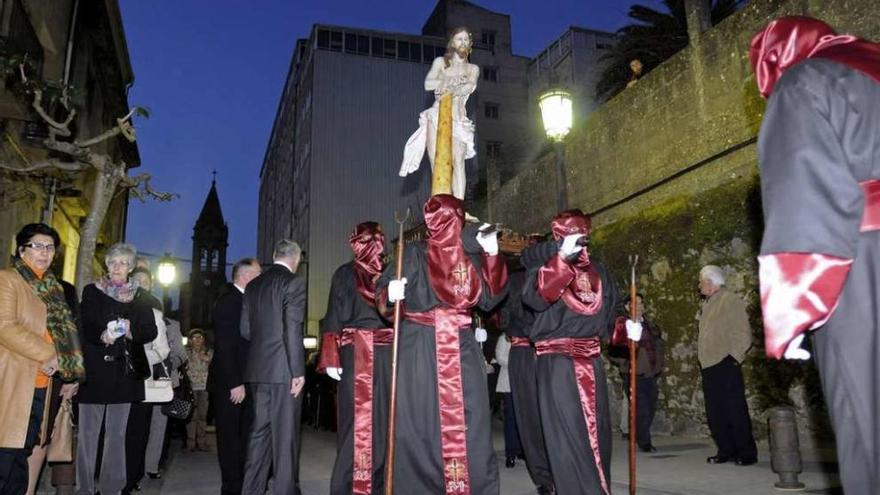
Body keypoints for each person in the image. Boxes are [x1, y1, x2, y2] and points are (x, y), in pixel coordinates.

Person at [750, 16, 880, 493]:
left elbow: (804, 190)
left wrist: (794, 309)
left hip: (863, 261)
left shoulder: (807, 80)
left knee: (868, 422)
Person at [377, 194, 508, 494]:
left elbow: (490, 300)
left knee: (470, 420)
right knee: (420, 422)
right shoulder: (413, 253)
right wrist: (389, 293)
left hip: (461, 346)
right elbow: (383, 293)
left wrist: (492, 255)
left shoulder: (469, 255)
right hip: (419, 347)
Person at [521, 210, 621, 495]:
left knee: (598, 437)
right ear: (558, 235)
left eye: (582, 233)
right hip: (558, 364)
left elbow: (611, 315)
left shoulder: (600, 271)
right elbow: (534, 300)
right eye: (570, 233)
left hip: (591, 359)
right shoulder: (543, 266)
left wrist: (626, 329)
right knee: (567, 438)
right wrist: (560, 261)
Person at [1, 223, 83, 495]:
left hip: (42, 384)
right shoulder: (8, 279)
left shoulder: (54, 290)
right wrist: (52, 354)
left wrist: (68, 370)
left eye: (50, 247)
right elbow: (5, 327)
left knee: (22, 456)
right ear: (22, 250)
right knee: (5, 455)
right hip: (12, 383)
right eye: (37, 246)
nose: (44, 252)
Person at [75, 242, 158, 495]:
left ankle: (112, 488)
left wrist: (131, 330)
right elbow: (84, 323)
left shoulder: (141, 297)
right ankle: (85, 489)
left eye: (123, 263)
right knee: (88, 436)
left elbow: (149, 331)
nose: (117, 267)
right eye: (113, 262)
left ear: (131, 267)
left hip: (124, 375)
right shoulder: (92, 291)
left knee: (116, 436)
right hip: (95, 372)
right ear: (107, 266)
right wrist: (101, 334)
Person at [317, 222, 392, 495]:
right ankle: (350, 485)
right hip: (358, 352)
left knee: (384, 421)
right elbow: (333, 314)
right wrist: (331, 356)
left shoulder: (391, 273)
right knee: (356, 423)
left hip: (386, 353)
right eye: (367, 240)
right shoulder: (345, 274)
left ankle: (381, 483)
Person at [240, 239, 307, 495]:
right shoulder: (294, 283)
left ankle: (251, 490)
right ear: (296, 258)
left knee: (259, 435)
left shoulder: (253, 285)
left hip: (258, 370)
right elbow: (293, 328)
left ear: (274, 255)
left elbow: (245, 330)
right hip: (284, 372)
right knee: (285, 440)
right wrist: (298, 371)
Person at [400, 27, 479, 200]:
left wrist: (451, 87)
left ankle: (458, 206)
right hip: (437, 114)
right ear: (452, 43)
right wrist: (443, 82)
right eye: (459, 39)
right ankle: (440, 204)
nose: (463, 43)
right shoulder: (440, 63)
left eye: (466, 39)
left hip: (458, 118)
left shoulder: (473, 68)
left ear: (470, 45)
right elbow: (428, 84)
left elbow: (469, 85)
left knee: (458, 161)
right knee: (437, 163)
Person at [498, 267, 554, 494]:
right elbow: (502, 320)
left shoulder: (557, 273)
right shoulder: (515, 281)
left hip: (551, 350)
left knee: (552, 415)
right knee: (527, 416)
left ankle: (558, 467)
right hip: (525, 351)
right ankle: (543, 475)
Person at [209, 257, 261, 494]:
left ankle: (241, 486)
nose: (260, 280)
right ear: (246, 276)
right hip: (232, 384)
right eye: (258, 275)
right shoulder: (230, 301)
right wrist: (235, 383)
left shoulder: (243, 300)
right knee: (230, 440)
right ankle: (231, 488)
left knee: (242, 438)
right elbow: (225, 346)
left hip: (243, 382)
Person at [696, 265, 757, 466]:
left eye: (701, 281)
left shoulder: (730, 300)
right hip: (709, 365)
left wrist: (733, 358)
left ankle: (746, 453)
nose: (699, 285)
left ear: (712, 282)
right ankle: (726, 450)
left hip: (725, 363)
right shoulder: (709, 303)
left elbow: (742, 332)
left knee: (735, 409)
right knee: (715, 411)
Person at [122, 268, 170, 493]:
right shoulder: (120, 308)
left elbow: (163, 350)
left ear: (150, 286)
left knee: (137, 432)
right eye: (135, 281)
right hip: (119, 381)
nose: (139, 285)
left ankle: (133, 478)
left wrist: (138, 356)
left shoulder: (156, 315)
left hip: (144, 381)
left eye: (144, 281)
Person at [610, 293, 665, 453]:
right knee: (641, 409)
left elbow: (658, 345)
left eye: (641, 303)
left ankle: (638, 435)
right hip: (633, 374)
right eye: (635, 303)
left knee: (651, 404)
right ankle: (644, 442)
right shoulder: (622, 325)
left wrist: (658, 365)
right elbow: (614, 350)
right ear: (628, 307)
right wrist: (626, 363)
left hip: (650, 374)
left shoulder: (649, 324)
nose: (639, 306)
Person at [494, 335, 523, 469]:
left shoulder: (524, 336)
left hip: (524, 383)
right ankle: (510, 453)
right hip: (509, 383)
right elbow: (499, 358)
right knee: (511, 419)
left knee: (523, 420)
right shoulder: (503, 338)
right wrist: (516, 362)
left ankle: (521, 450)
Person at [185, 328, 212, 452]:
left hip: (205, 387)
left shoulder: (209, 352)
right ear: (190, 340)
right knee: (191, 416)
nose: (197, 340)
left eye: (200, 337)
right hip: (191, 387)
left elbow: (216, 365)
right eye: (195, 337)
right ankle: (190, 443)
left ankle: (202, 442)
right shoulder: (186, 352)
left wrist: (207, 359)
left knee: (202, 415)